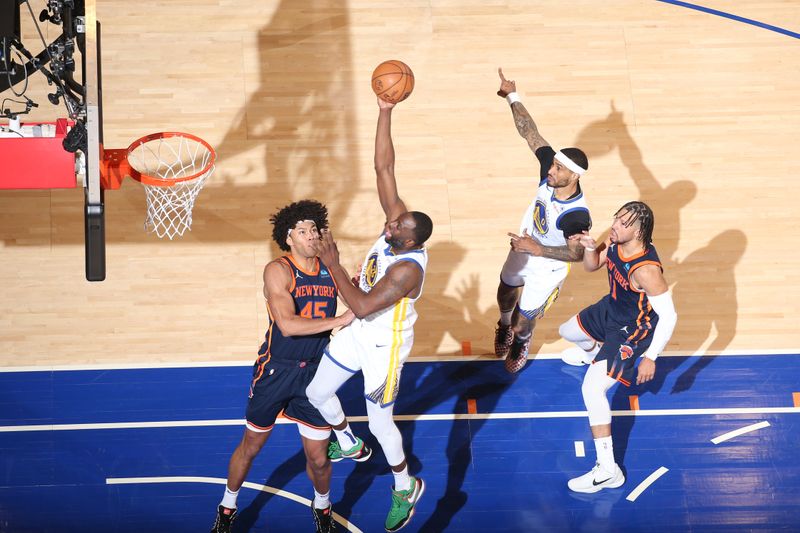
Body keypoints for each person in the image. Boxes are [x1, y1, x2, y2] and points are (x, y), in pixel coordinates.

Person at [306, 97, 433, 532]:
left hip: (385, 344)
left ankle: (404, 485)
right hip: (360, 331)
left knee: (381, 423)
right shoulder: (399, 225)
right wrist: (385, 111)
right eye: (394, 221)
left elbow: (359, 304)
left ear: (410, 242)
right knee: (318, 394)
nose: (389, 224)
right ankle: (346, 439)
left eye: (396, 228)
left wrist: (333, 262)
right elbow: (384, 170)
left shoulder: (405, 270)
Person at [211, 200, 356, 533]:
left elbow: (358, 307)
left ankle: (322, 508)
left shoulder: (331, 267)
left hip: (316, 373)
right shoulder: (278, 270)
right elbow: (288, 325)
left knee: (319, 458)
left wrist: (360, 287)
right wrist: (340, 319)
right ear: (288, 238)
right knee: (252, 446)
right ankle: (228, 507)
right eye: (302, 231)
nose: (310, 236)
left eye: (314, 230)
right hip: (277, 369)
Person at [558, 201, 677, 493]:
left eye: (623, 222)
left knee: (592, 389)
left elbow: (670, 316)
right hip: (612, 309)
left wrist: (650, 357)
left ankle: (607, 471)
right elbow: (591, 266)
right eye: (616, 218)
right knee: (568, 331)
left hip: (632, 331)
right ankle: (593, 356)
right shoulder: (614, 239)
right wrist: (589, 246)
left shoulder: (647, 270)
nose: (615, 225)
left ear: (638, 230)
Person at [494, 68, 593, 373]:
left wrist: (538, 250)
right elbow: (530, 132)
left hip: (549, 264)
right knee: (505, 290)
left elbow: (577, 254)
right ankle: (503, 324)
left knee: (526, 318)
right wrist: (512, 95)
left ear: (573, 176)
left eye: (558, 169)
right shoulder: (549, 174)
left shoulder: (576, 215)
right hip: (525, 246)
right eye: (552, 164)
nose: (550, 170)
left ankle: (522, 340)